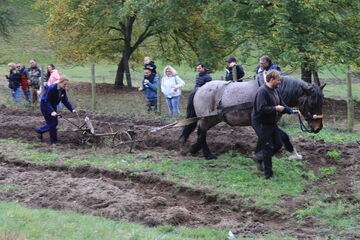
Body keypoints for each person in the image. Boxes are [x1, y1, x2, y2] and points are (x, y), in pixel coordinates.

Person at [251, 70, 295, 179]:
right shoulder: (262, 91)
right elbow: (261, 109)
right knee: (268, 147)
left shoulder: (275, 90)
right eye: (278, 80)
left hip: (271, 122)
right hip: (261, 123)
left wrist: (289, 110)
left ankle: (259, 157)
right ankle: (268, 174)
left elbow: (281, 103)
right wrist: (275, 108)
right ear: (271, 80)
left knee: (278, 143)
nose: (280, 82)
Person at [35, 76, 76, 145]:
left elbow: (65, 100)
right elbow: (46, 100)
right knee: (52, 124)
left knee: (55, 123)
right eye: (64, 84)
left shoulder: (62, 89)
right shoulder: (52, 88)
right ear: (60, 82)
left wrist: (72, 109)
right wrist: (51, 111)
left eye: (66, 84)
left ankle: (40, 130)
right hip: (45, 106)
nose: (65, 86)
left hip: (52, 106)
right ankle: (53, 142)